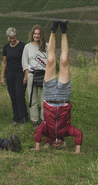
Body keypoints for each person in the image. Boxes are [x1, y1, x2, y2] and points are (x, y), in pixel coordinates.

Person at [33, 19, 83, 154]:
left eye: (54, 144)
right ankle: (64, 30)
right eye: (58, 144)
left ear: (49, 141)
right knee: (64, 61)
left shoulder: (47, 130)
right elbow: (78, 133)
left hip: (49, 96)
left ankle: (53, 30)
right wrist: (77, 150)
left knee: (50, 61)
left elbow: (38, 131)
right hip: (63, 97)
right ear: (62, 141)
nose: (56, 142)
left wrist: (37, 147)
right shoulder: (66, 130)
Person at [0, 27, 28, 124]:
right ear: (7, 37)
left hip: (20, 73)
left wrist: (26, 76)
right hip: (9, 73)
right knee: (13, 96)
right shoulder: (6, 47)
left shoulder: (22, 46)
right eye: (10, 38)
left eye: (13, 38)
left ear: (16, 36)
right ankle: (16, 118)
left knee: (20, 96)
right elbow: (4, 62)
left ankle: (23, 118)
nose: (12, 40)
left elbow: (26, 61)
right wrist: (2, 77)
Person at [22, 24, 47, 126]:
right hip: (32, 74)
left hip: (44, 74)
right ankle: (35, 119)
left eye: (38, 34)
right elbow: (25, 62)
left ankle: (44, 119)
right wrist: (27, 75)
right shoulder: (27, 47)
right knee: (33, 98)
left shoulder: (47, 46)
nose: (36, 36)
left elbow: (51, 61)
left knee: (44, 99)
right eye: (35, 34)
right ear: (32, 34)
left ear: (42, 35)